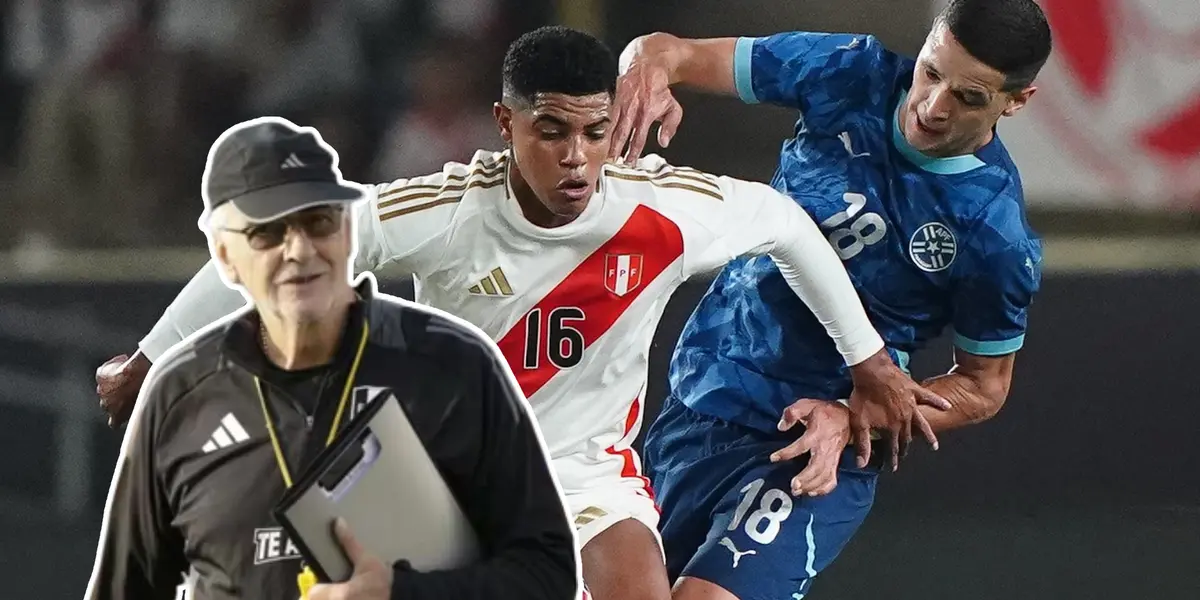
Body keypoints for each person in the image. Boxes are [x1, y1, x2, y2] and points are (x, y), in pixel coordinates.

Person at [92, 26, 943, 600]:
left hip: (581, 471)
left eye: (595, 131)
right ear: (505, 124)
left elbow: (788, 224)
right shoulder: (441, 215)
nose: (577, 158)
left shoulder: (665, 212)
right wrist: (149, 354)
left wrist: (868, 360)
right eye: (550, 131)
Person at [611, 0, 1052, 598]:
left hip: (813, 450)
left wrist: (852, 418)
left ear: (1016, 101)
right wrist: (645, 72)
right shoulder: (850, 71)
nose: (933, 106)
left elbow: (984, 386)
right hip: (701, 395)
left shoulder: (992, 232)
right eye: (930, 72)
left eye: (969, 98)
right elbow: (668, 50)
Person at [85, 117, 580, 600]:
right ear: (225, 256)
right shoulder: (179, 394)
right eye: (268, 233)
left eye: (317, 221)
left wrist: (401, 590)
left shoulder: (452, 366)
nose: (299, 251)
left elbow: (546, 575)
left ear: (348, 232)